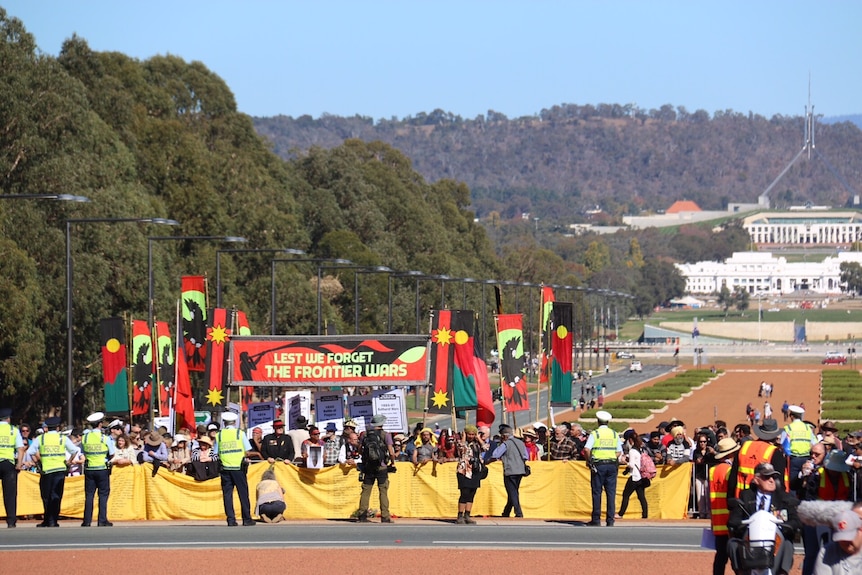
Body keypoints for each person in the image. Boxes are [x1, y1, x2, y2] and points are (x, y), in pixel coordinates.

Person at [727, 463, 801, 575]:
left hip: (776, 539)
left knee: (788, 544)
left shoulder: (784, 498)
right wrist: (746, 524)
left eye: (774, 477)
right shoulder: (746, 496)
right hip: (750, 541)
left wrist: (784, 526)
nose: (772, 480)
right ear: (756, 480)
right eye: (767, 477)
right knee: (732, 543)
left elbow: (796, 521)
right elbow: (733, 520)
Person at [27, 416, 79, 527]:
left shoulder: (41, 439)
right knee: (56, 495)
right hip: (60, 470)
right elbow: (74, 450)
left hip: (46, 471)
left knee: (46, 496)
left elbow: (30, 452)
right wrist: (69, 462)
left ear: (46, 428)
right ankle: (53, 520)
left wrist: (38, 463)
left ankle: (46, 519)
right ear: (57, 427)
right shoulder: (62, 438)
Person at [728, 418, 788, 498]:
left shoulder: (745, 447)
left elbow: (733, 478)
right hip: (763, 500)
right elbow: (778, 483)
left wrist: (731, 500)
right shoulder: (775, 452)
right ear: (775, 436)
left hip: (741, 500)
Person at [214, 411, 254, 527]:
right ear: (235, 422)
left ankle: (231, 520)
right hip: (238, 469)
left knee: (227, 495)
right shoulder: (240, 434)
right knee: (243, 494)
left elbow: (216, 452)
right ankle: (246, 519)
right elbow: (247, 450)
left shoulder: (219, 435)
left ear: (224, 422)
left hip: (225, 468)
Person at [708, 437, 741, 575]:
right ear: (731, 454)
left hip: (717, 520)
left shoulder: (712, 470)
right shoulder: (730, 471)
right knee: (737, 558)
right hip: (730, 519)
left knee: (720, 558)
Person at [584, 410, 622, 526]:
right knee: (611, 493)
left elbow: (586, 449)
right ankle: (610, 520)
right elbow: (619, 452)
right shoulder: (614, 434)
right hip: (611, 465)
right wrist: (610, 457)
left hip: (598, 465)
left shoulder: (595, 434)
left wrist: (589, 460)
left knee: (597, 492)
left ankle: (596, 519)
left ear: (598, 421)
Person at [356, 414, 396, 523]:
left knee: (366, 490)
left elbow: (359, 449)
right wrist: (392, 463)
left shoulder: (365, 434)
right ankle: (385, 516)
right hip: (381, 466)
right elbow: (391, 452)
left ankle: (362, 515)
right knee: (383, 491)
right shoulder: (385, 435)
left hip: (368, 466)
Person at [81, 412, 116, 527]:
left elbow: (82, 453)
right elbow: (112, 454)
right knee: (103, 495)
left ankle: (87, 521)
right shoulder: (104, 438)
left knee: (89, 495)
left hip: (89, 468)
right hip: (102, 469)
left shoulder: (85, 438)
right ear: (100, 424)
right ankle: (102, 520)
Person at [491, 424, 528, 518]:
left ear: (504, 436)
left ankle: (518, 512)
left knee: (512, 492)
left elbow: (495, 454)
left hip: (510, 470)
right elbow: (526, 456)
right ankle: (506, 512)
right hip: (520, 470)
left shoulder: (506, 444)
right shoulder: (521, 443)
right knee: (514, 491)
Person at [811, 508, 862, 574]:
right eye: (841, 537)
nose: (845, 541)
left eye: (849, 537)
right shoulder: (827, 552)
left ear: (860, 530)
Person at [782, 404, 817, 495]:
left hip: (793, 459)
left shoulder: (788, 428)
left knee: (793, 484)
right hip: (806, 458)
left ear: (791, 416)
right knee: (806, 481)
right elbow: (814, 443)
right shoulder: (807, 428)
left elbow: (783, 444)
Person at [0, 407, 26, 528]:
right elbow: (20, 449)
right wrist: (19, 464)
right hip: (8, 463)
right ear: (8, 419)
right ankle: (11, 521)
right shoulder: (13, 430)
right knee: (10, 494)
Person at [455, 424, 486, 524]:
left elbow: (486, 448)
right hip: (464, 471)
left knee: (472, 494)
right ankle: (460, 515)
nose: (471, 436)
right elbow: (461, 448)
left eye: (473, 434)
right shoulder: (462, 443)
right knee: (464, 493)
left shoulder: (477, 444)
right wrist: (463, 437)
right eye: (469, 434)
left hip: (475, 471)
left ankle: (467, 515)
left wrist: (478, 438)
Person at [617, 429, 649, 519]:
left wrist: (626, 462)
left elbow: (631, 465)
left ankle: (620, 514)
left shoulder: (632, 451)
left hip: (634, 476)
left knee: (626, 495)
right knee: (641, 497)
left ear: (630, 440)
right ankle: (645, 514)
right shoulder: (641, 449)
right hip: (641, 477)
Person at [691, 431, 714, 519]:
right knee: (699, 495)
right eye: (701, 441)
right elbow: (698, 460)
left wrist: (713, 453)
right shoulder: (696, 451)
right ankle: (702, 513)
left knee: (707, 495)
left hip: (708, 475)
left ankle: (708, 513)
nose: (702, 443)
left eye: (704, 441)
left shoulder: (710, 451)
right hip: (699, 475)